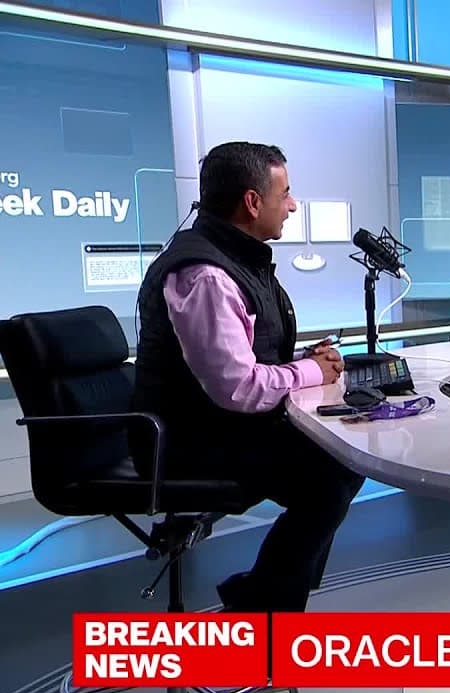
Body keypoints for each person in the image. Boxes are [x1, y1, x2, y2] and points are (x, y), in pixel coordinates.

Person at [131, 141, 363, 613]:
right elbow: (235, 386)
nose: (293, 205)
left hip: (213, 428)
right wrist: (306, 372)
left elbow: (240, 355)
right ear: (253, 202)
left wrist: (302, 362)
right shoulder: (206, 274)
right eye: (286, 194)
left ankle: (267, 596)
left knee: (340, 464)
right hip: (186, 445)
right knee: (330, 475)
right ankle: (262, 610)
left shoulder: (235, 257)